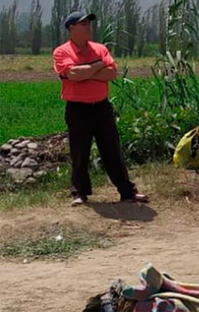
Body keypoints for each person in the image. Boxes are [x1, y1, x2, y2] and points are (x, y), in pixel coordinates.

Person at [53, 11, 149, 206]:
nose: (88, 26)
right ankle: (79, 192)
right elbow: (72, 75)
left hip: (102, 107)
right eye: (83, 24)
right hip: (77, 109)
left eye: (89, 23)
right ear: (71, 28)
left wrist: (86, 70)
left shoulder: (100, 48)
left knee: (112, 149)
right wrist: (98, 66)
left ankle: (127, 191)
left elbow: (112, 73)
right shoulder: (62, 52)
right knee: (79, 151)